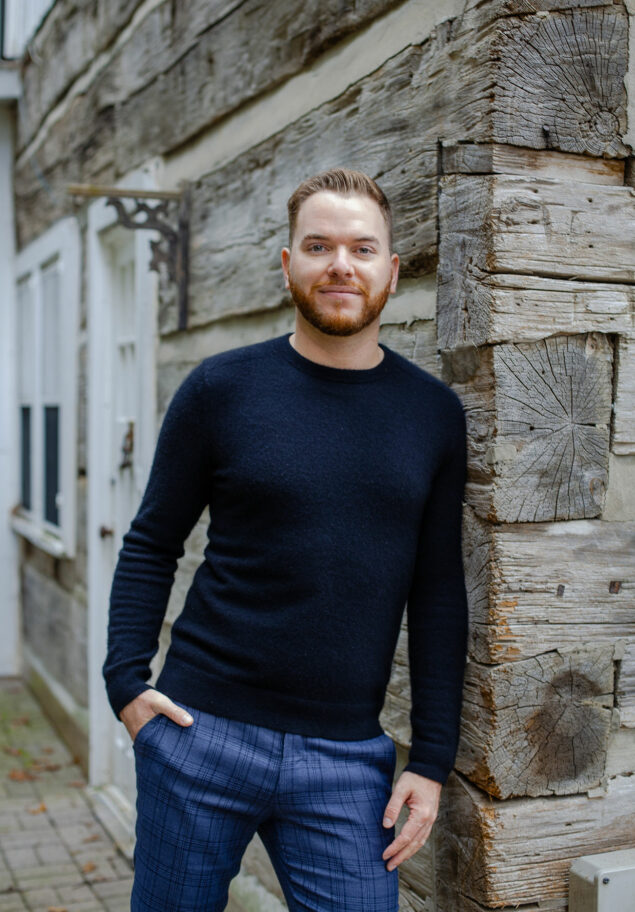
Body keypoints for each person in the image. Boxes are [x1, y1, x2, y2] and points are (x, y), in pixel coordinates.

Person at [103, 168, 469, 912]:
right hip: (199, 735)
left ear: (391, 272)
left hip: (344, 761)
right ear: (287, 265)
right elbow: (151, 543)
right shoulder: (220, 389)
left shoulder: (431, 415)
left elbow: (436, 594)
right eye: (319, 246)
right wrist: (126, 685)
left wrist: (430, 761)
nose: (341, 264)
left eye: (363, 249)